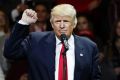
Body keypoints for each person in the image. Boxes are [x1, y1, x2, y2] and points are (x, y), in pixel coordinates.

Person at [4, 4, 101, 80]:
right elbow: (10, 52)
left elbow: (94, 77)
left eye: (66, 21)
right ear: (51, 23)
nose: (62, 25)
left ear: (74, 23)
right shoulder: (35, 40)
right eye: (58, 21)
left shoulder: (89, 46)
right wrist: (23, 23)